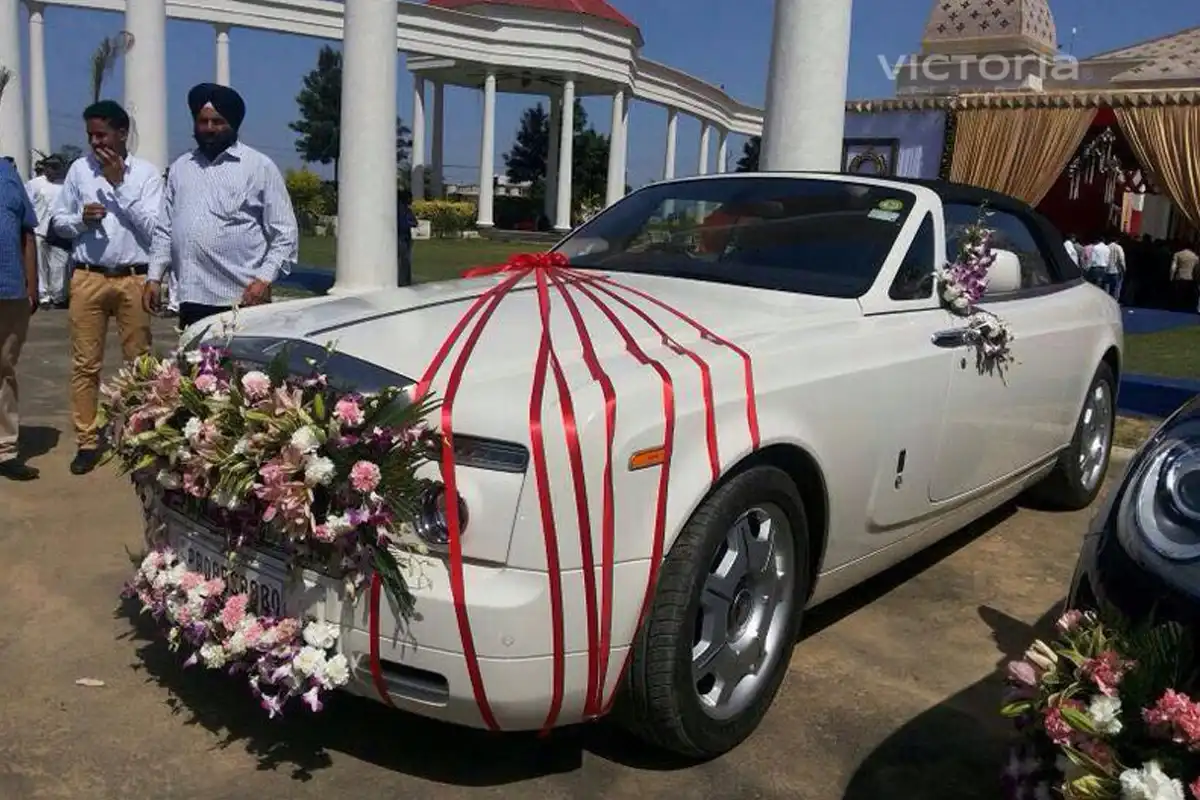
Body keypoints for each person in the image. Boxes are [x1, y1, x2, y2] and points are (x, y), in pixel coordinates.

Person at [50, 100, 161, 475]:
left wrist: (119, 185)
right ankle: (87, 440)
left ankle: (140, 435)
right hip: (88, 277)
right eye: (90, 136)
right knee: (85, 364)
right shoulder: (79, 171)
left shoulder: (145, 175)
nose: (95, 143)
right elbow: (58, 222)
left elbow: (154, 230)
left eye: (102, 134)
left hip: (134, 277)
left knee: (140, 364)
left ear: (122, 133)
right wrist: (80, 221)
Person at [144, 83, 297, 330]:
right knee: (193, 367)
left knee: (237, 369)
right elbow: (164, 229)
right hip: (190, 298)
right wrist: (153, 277)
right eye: (203, 121)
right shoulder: (181, 168)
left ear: (233, 125)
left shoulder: (258, 167)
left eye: (218, 122)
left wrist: (263, 280)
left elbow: (284, 233)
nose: (209, 128)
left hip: (241, 299)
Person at [0, 154, 40, 480]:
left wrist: (33, 284)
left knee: (3, 369)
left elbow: (28, 235)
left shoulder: (9, 175)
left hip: (9, 290)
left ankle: (4, 449)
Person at [27, 156, 69, 308]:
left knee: (59, 265)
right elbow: (28, 205)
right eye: (51, 167)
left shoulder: (65, 184)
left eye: (57, 168)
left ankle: (58, 295)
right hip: (39, 230)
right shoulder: (34, 184)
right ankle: (44, 296)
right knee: (41, 266)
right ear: (45, 169)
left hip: (59, 233)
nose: (54, 171)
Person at [1171, 243, 1199, 312]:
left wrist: (1171, 277)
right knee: (1186, 294)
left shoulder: (1178, 254)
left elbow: (1173, 267)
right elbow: (1196, 269)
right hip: (1190, 278)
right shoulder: (1195, 257)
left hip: (1179, 277)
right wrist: (1196, 278)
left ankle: (1177, 307)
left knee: (1178, 294)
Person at [398, 189, 417, 285]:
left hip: (403, 237)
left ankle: (404, 280)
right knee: (405, 260)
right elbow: (412, 223)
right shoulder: (403, 210)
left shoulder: (403, 209)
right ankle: (404, 281)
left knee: (404, 260)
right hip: (403, 238)